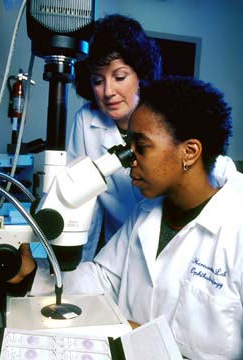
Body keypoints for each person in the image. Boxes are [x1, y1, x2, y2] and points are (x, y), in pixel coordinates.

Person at [31, 76, 243, 359]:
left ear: (189, 152)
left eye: (141, 147)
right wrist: (31, 274)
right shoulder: (146, 213)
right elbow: (101, 279)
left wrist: (145, 343)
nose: (129, 160)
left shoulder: (236, 228)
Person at [67, 13, 162, 261]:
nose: (108, 91)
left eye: (119, 77)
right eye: (98, 80)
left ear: (139, 75)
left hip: (164, 246)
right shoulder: (87, 120)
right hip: (116, 248)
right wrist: (80, 265)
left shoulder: (165, 114)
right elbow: (84, 199)